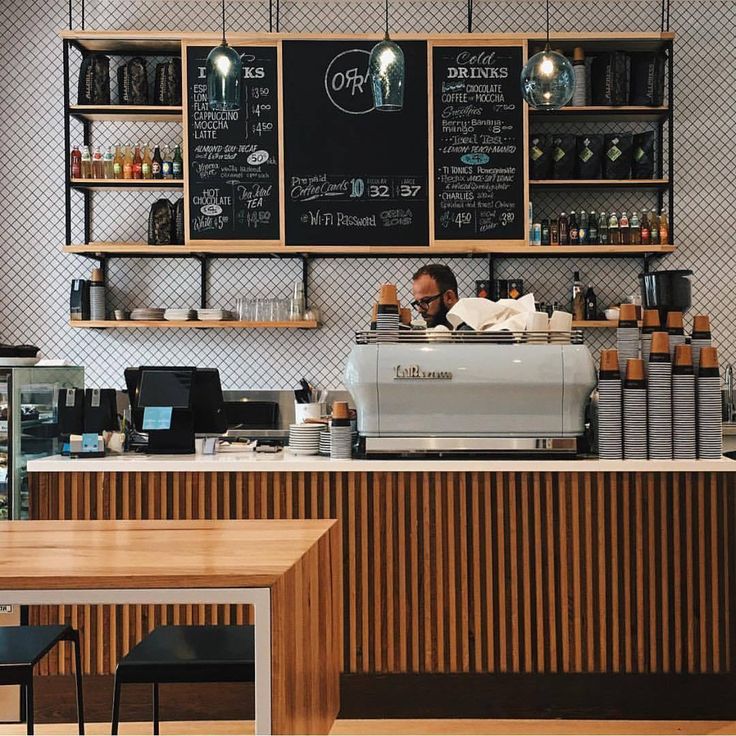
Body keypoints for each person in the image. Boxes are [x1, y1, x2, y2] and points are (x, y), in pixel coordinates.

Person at [410, 264, 459, 329]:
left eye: (425, 301)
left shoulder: (474, 329)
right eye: (418, 303)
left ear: (449, 297)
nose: (420, 310)